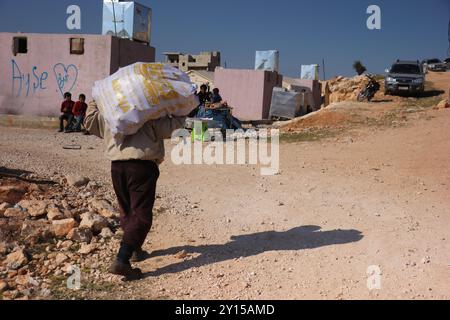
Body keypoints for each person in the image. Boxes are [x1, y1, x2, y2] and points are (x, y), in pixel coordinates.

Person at [84, 101, 187, 280]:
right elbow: (173, 127)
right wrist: (181, 108)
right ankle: (122, 259)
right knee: (141, 215)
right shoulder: (148, 113)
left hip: (117, 167)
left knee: (127, 210)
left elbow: (90, 120)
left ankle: (135, 249)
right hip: (142, 167)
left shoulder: (111, 114)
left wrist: (96, 100)